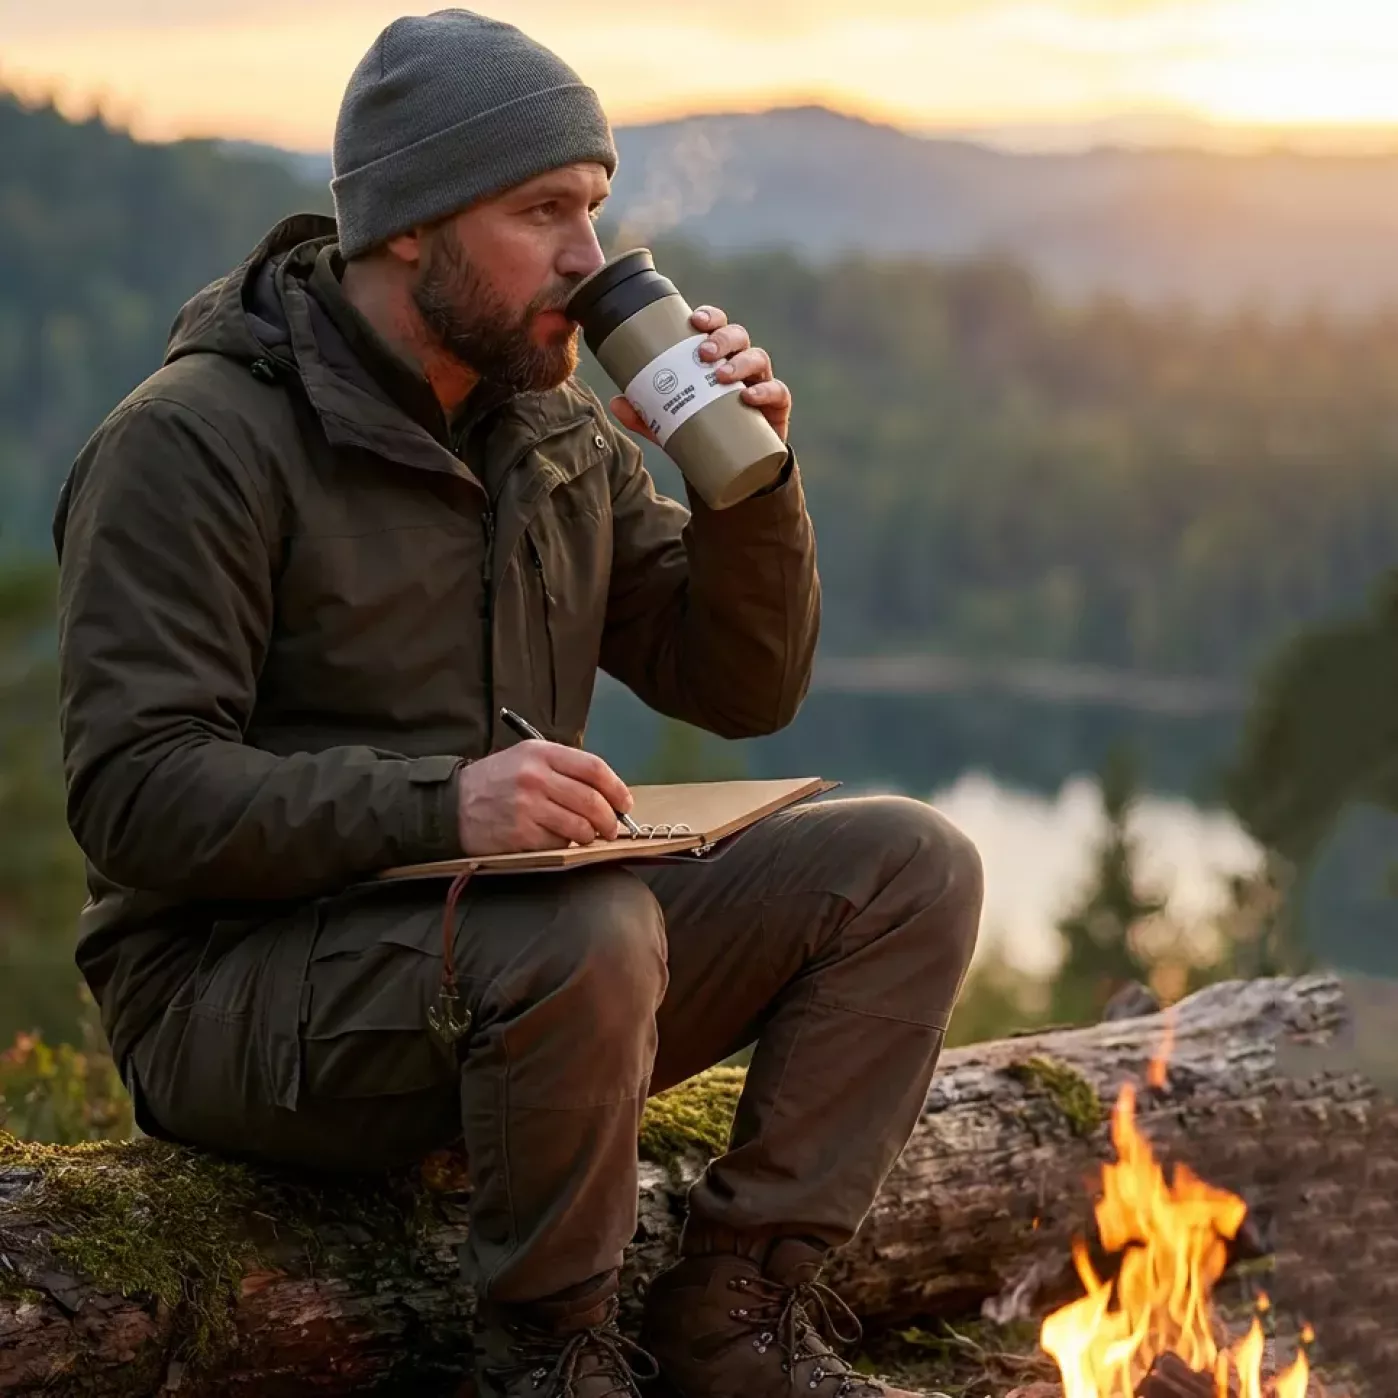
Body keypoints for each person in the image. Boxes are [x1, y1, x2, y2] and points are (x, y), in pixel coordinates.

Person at [52, 11, 983, 1397]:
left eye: (594, 208)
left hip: (515, 963)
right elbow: (133, 792)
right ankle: (548, 1357)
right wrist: (446, 803)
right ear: (409, 228)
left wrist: (751, 487)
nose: (586, 260)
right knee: (582, 926)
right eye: (542, 211)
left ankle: (733, 1317)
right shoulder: (194, 441)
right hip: (235, 1000)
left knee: (908, 864)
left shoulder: (545, 430)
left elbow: (740, 685)